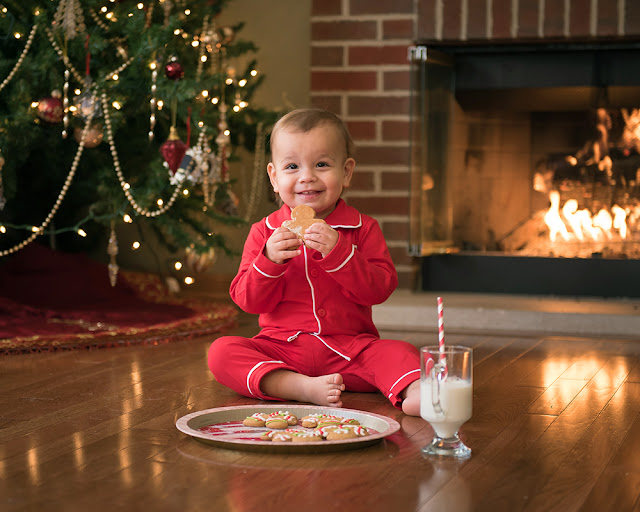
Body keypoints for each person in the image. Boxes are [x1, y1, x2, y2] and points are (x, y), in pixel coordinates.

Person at [208, 108, 421, 415]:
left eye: (322, 164)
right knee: (221, 352)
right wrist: (268, 261)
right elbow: (247, 301)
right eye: (292, 166)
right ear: (274, 177)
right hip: (282, 350)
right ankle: (298, 387)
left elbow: (380, 289)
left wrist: (341, 254)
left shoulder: (363, 228)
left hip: (351, 353)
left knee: (400, 352)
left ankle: (413, 390)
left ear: (346, 172)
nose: (307, 176)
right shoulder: (263, 233)